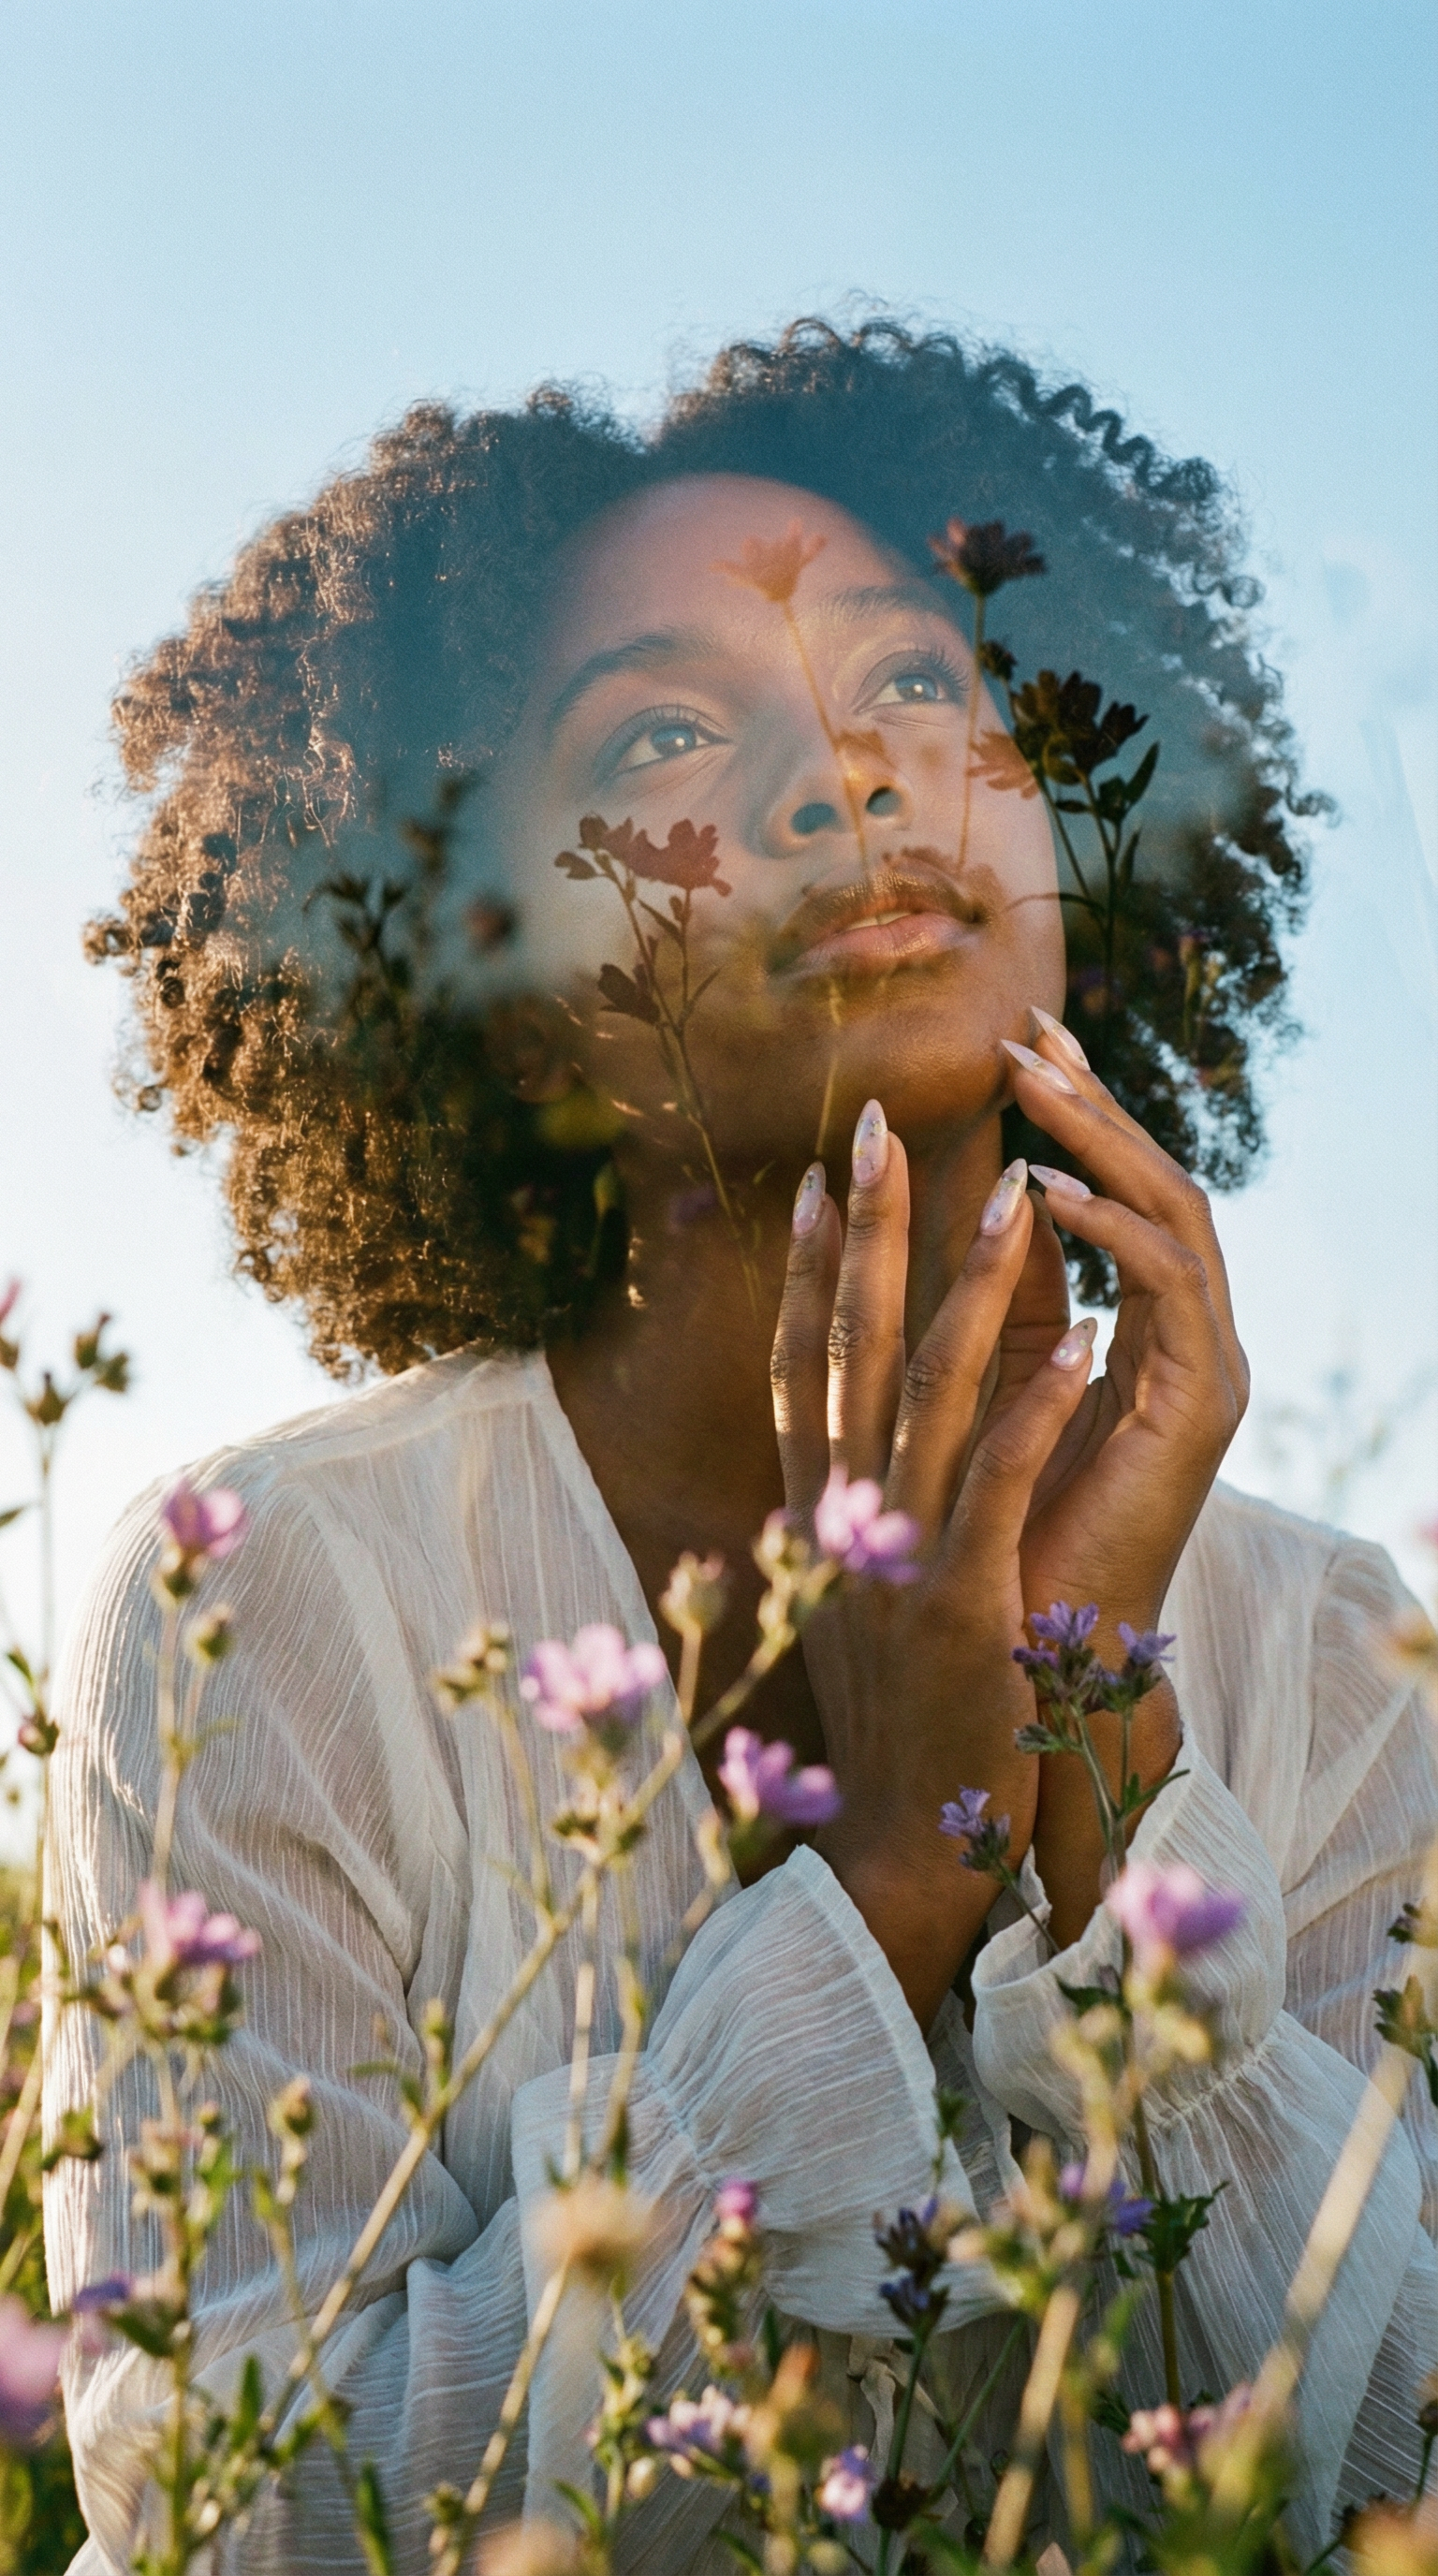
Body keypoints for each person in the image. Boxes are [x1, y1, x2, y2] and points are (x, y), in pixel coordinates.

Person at [49, 318, 1438, 2573]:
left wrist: (1092, 1779)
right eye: (673, 730)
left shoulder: (1337, 1641)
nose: (851, 780)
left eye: (923, 686)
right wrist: (887, 1887)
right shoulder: (263, 1601)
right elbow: (230, 2508)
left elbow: (1389, 2468)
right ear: (474, 963)